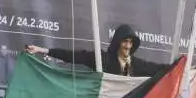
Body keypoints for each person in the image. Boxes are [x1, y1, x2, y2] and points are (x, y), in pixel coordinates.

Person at [24, 23, 172, 77]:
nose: (128, 46)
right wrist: (42, 50)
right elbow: (73, 56)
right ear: (117, 42)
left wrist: (184, 67)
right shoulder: (103, 59)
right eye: (125, 42)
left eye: (131, 43)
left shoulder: (136, 64)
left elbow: (157, 69)